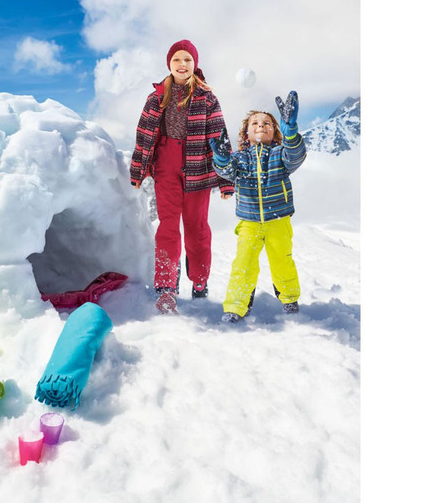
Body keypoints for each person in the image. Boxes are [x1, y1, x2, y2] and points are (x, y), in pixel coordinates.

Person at [130, 39, 234, 314]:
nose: (182, 64)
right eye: (177, 59)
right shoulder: (156, 96)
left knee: (196, 227)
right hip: (166, 165)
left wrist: (226, 180)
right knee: (167, 226)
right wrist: (138, 171)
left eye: (188, 60)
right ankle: (166, 286)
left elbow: (219, 137)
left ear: (194, 64)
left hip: (198, 166)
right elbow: (144, 135)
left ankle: (200, 280)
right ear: (170, 64)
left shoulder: (206, 97)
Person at [209, 91, 307, 323]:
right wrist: (222, 157)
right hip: (249, 223)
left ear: (275, 132)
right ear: (246, 133)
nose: (260, 125)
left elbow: (296, 155)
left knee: (282, 261)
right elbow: (225, 172)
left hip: (278, 221)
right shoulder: (240, 158)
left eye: (267, 123)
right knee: (243, 263)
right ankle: (236, 306)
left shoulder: (279, 154)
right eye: (255, 123)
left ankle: (289, 299)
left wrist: (291, 131)